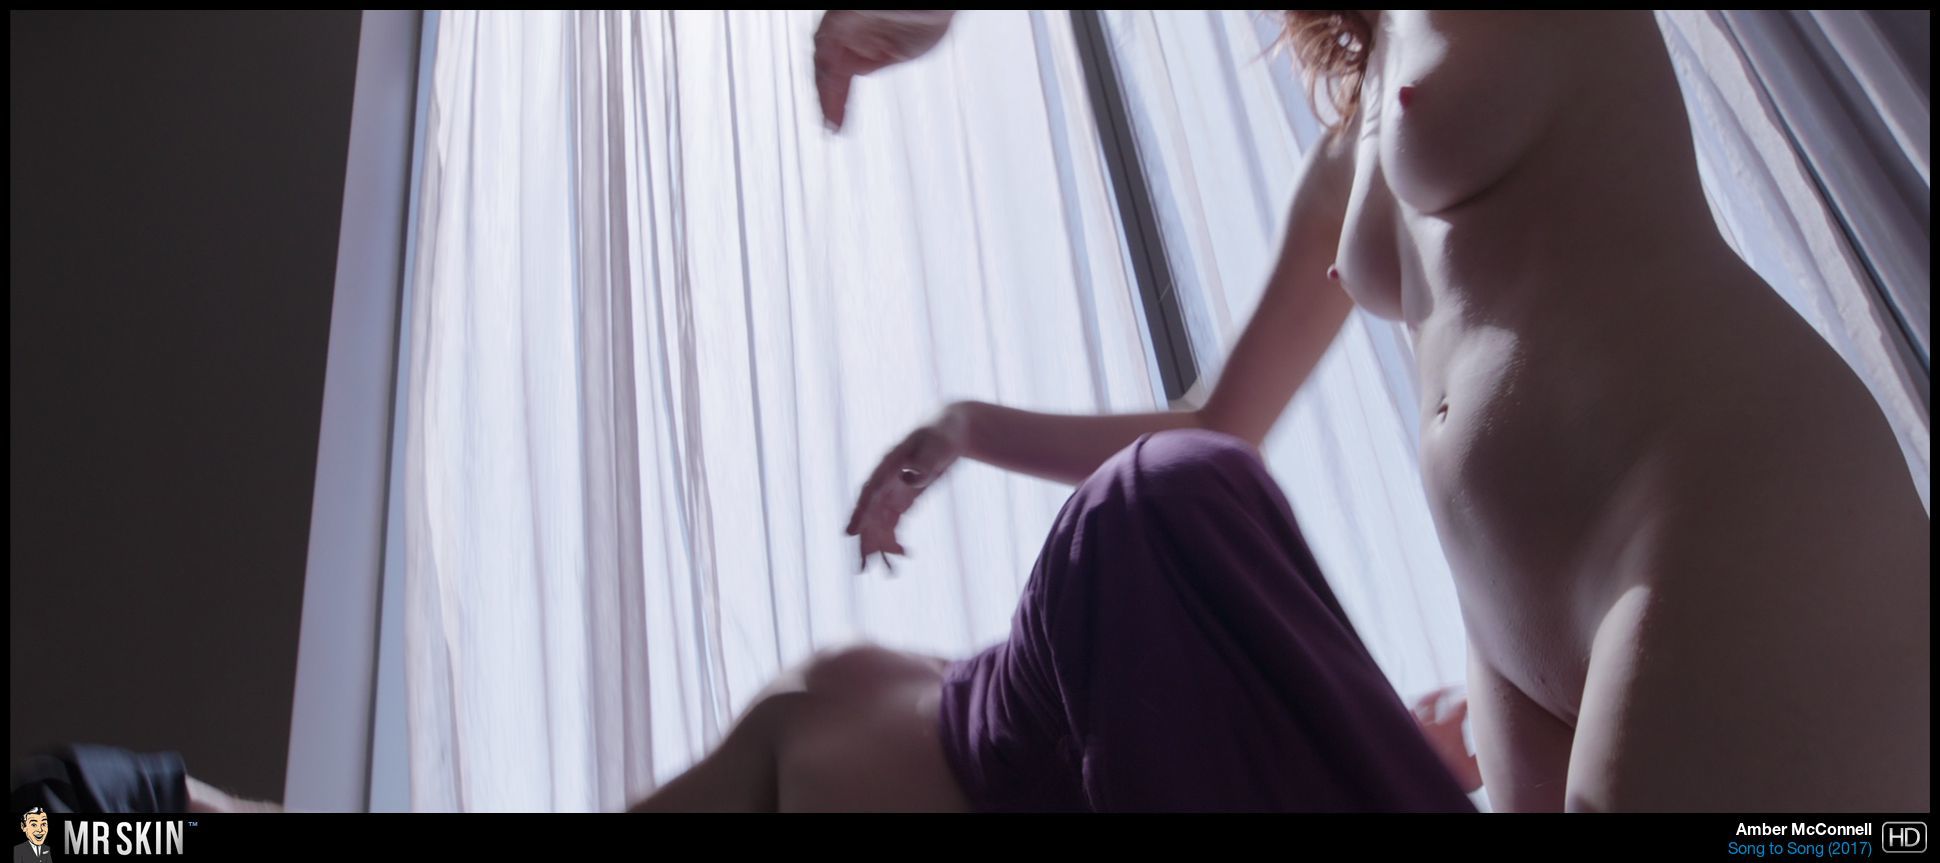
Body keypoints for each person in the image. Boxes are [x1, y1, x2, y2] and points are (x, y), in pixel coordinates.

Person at [640, 10, 1931, 812]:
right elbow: (1215, 421)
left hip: (1706, 508)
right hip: (1517, 633)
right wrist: (964, 428)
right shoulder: (1349, 149)